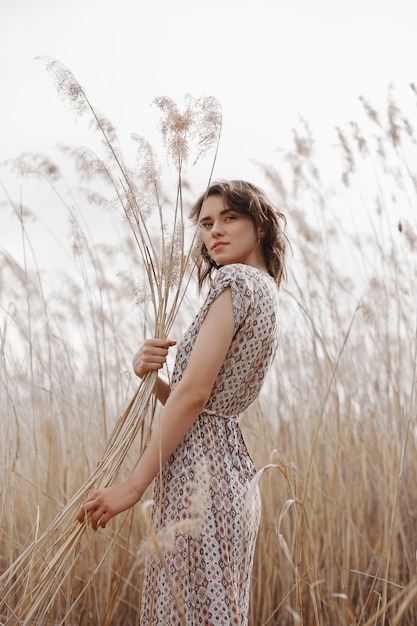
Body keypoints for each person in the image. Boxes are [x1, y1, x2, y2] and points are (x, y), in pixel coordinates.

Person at [77, 179, 288, 625]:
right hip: (229, 472)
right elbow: (193, 399)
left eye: (230, 218)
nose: (215, 231)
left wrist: (133, 487)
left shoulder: (233, 280)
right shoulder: (267, 291)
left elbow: (195, 396)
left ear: (261, 226)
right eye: (207, 223)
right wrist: (151, 376)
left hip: (200, 478)